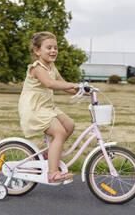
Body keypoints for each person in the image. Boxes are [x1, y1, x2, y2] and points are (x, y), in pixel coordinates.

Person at [18, 31, 80, 183]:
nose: (53, 51)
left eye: (55, 47)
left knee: (69, 125)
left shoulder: (52, 67)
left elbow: (64, 85)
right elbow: (50, 84)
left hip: (47, 107)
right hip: (34, 108)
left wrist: (82, 90)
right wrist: (73, 85)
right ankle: (52, 173)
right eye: (49, 47)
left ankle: (48, 155)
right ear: (37, 51)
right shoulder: (37, 68)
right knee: (59, 132)